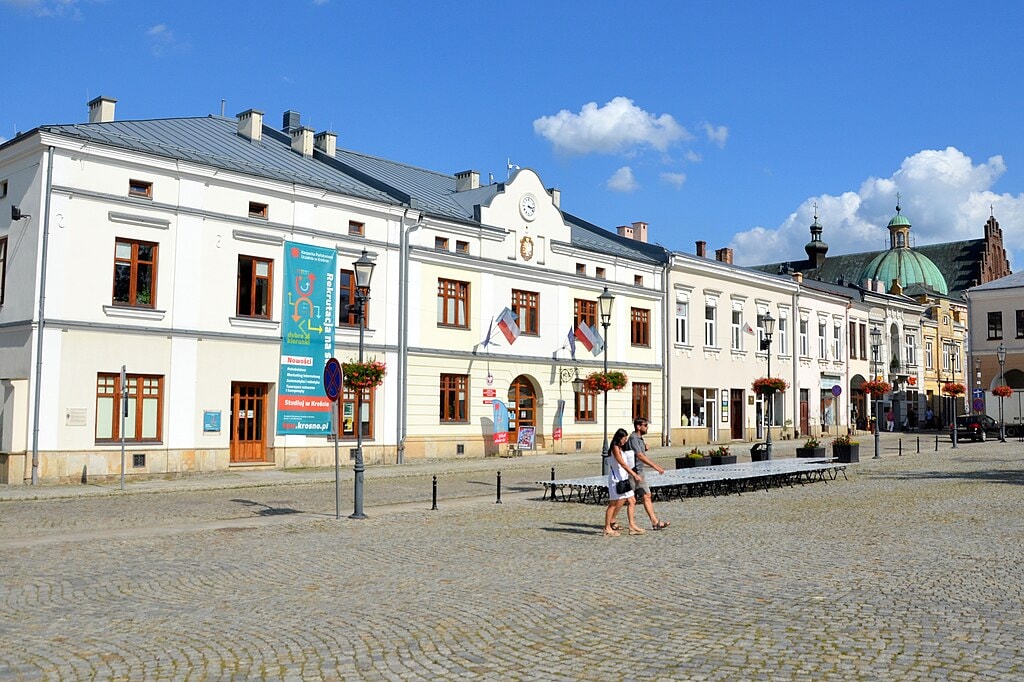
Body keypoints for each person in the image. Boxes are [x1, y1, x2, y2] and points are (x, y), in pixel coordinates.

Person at [627, 417, 670, 531]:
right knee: (626, 499)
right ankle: (612, 522)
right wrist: (655, 466)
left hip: (639, 472)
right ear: (638, 426)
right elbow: (640, 456)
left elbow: (641, 454)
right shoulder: (633, 438)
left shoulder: (640, 439)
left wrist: (645, 447)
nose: (647, 427)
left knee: (646, 495)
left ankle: (655, 522)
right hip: (632, 472)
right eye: (645, 425)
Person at [603, 428, 644, 537]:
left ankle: (632, 525)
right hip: (616, 480)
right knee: (613, 504)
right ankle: (607, 527)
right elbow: (622, 464)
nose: (625, 441)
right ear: (619, 438)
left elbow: (628, 462)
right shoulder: (615, 449)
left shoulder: (622, 448)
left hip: (624, 479)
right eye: (624, 438)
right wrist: (634, 474)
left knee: (632, 500)